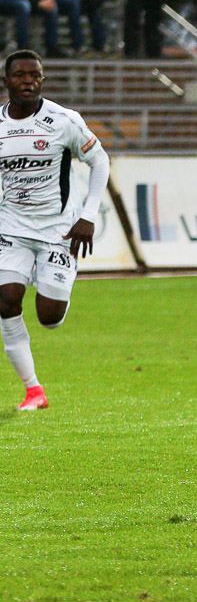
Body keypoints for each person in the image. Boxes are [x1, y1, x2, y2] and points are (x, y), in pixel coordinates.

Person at [0, 50, 111, 411]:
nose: (28, 81)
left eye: (35, 75)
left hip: (58, 230)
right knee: (6, 300)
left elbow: (100, 161)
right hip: (11, 228)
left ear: (42, 80)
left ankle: (46, 276)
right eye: (21, 75)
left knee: (49, 318)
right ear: (6, 81)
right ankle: (34, 391)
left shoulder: (64, 121)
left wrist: (88, 215)